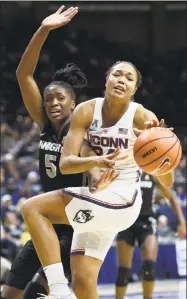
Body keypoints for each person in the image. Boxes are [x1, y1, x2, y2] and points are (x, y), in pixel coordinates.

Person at [21, 5, 175, 299]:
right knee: (83, 283)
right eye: (117, 74)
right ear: (106, 80)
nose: (121, 80)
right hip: (98, 198)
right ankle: (67, 291)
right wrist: (96, 161)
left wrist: (161, 160)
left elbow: (165, 180)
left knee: (32, 208)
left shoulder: (143, 118)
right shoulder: (84, 111)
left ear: (134, 90)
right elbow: (66, 165)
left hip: (123, 200)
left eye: (129, 79)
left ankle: (56, 291)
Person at [1, 6, 94, 299]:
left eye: (60, 98)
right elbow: (23, 74)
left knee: (35, 293)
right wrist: (43, 30)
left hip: (73, 228)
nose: (53, 102)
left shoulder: (83, 132)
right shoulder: (44, 126)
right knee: (10, 293)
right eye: (49, 97)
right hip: (45, 225)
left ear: (73, 104)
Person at [115, 172, 186, 299]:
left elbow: (171, 198)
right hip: (126, 223)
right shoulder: (124, 169)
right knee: (123, 271)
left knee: (149, 266)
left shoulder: (152, 172)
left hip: (147, 222)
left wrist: (182, 222)